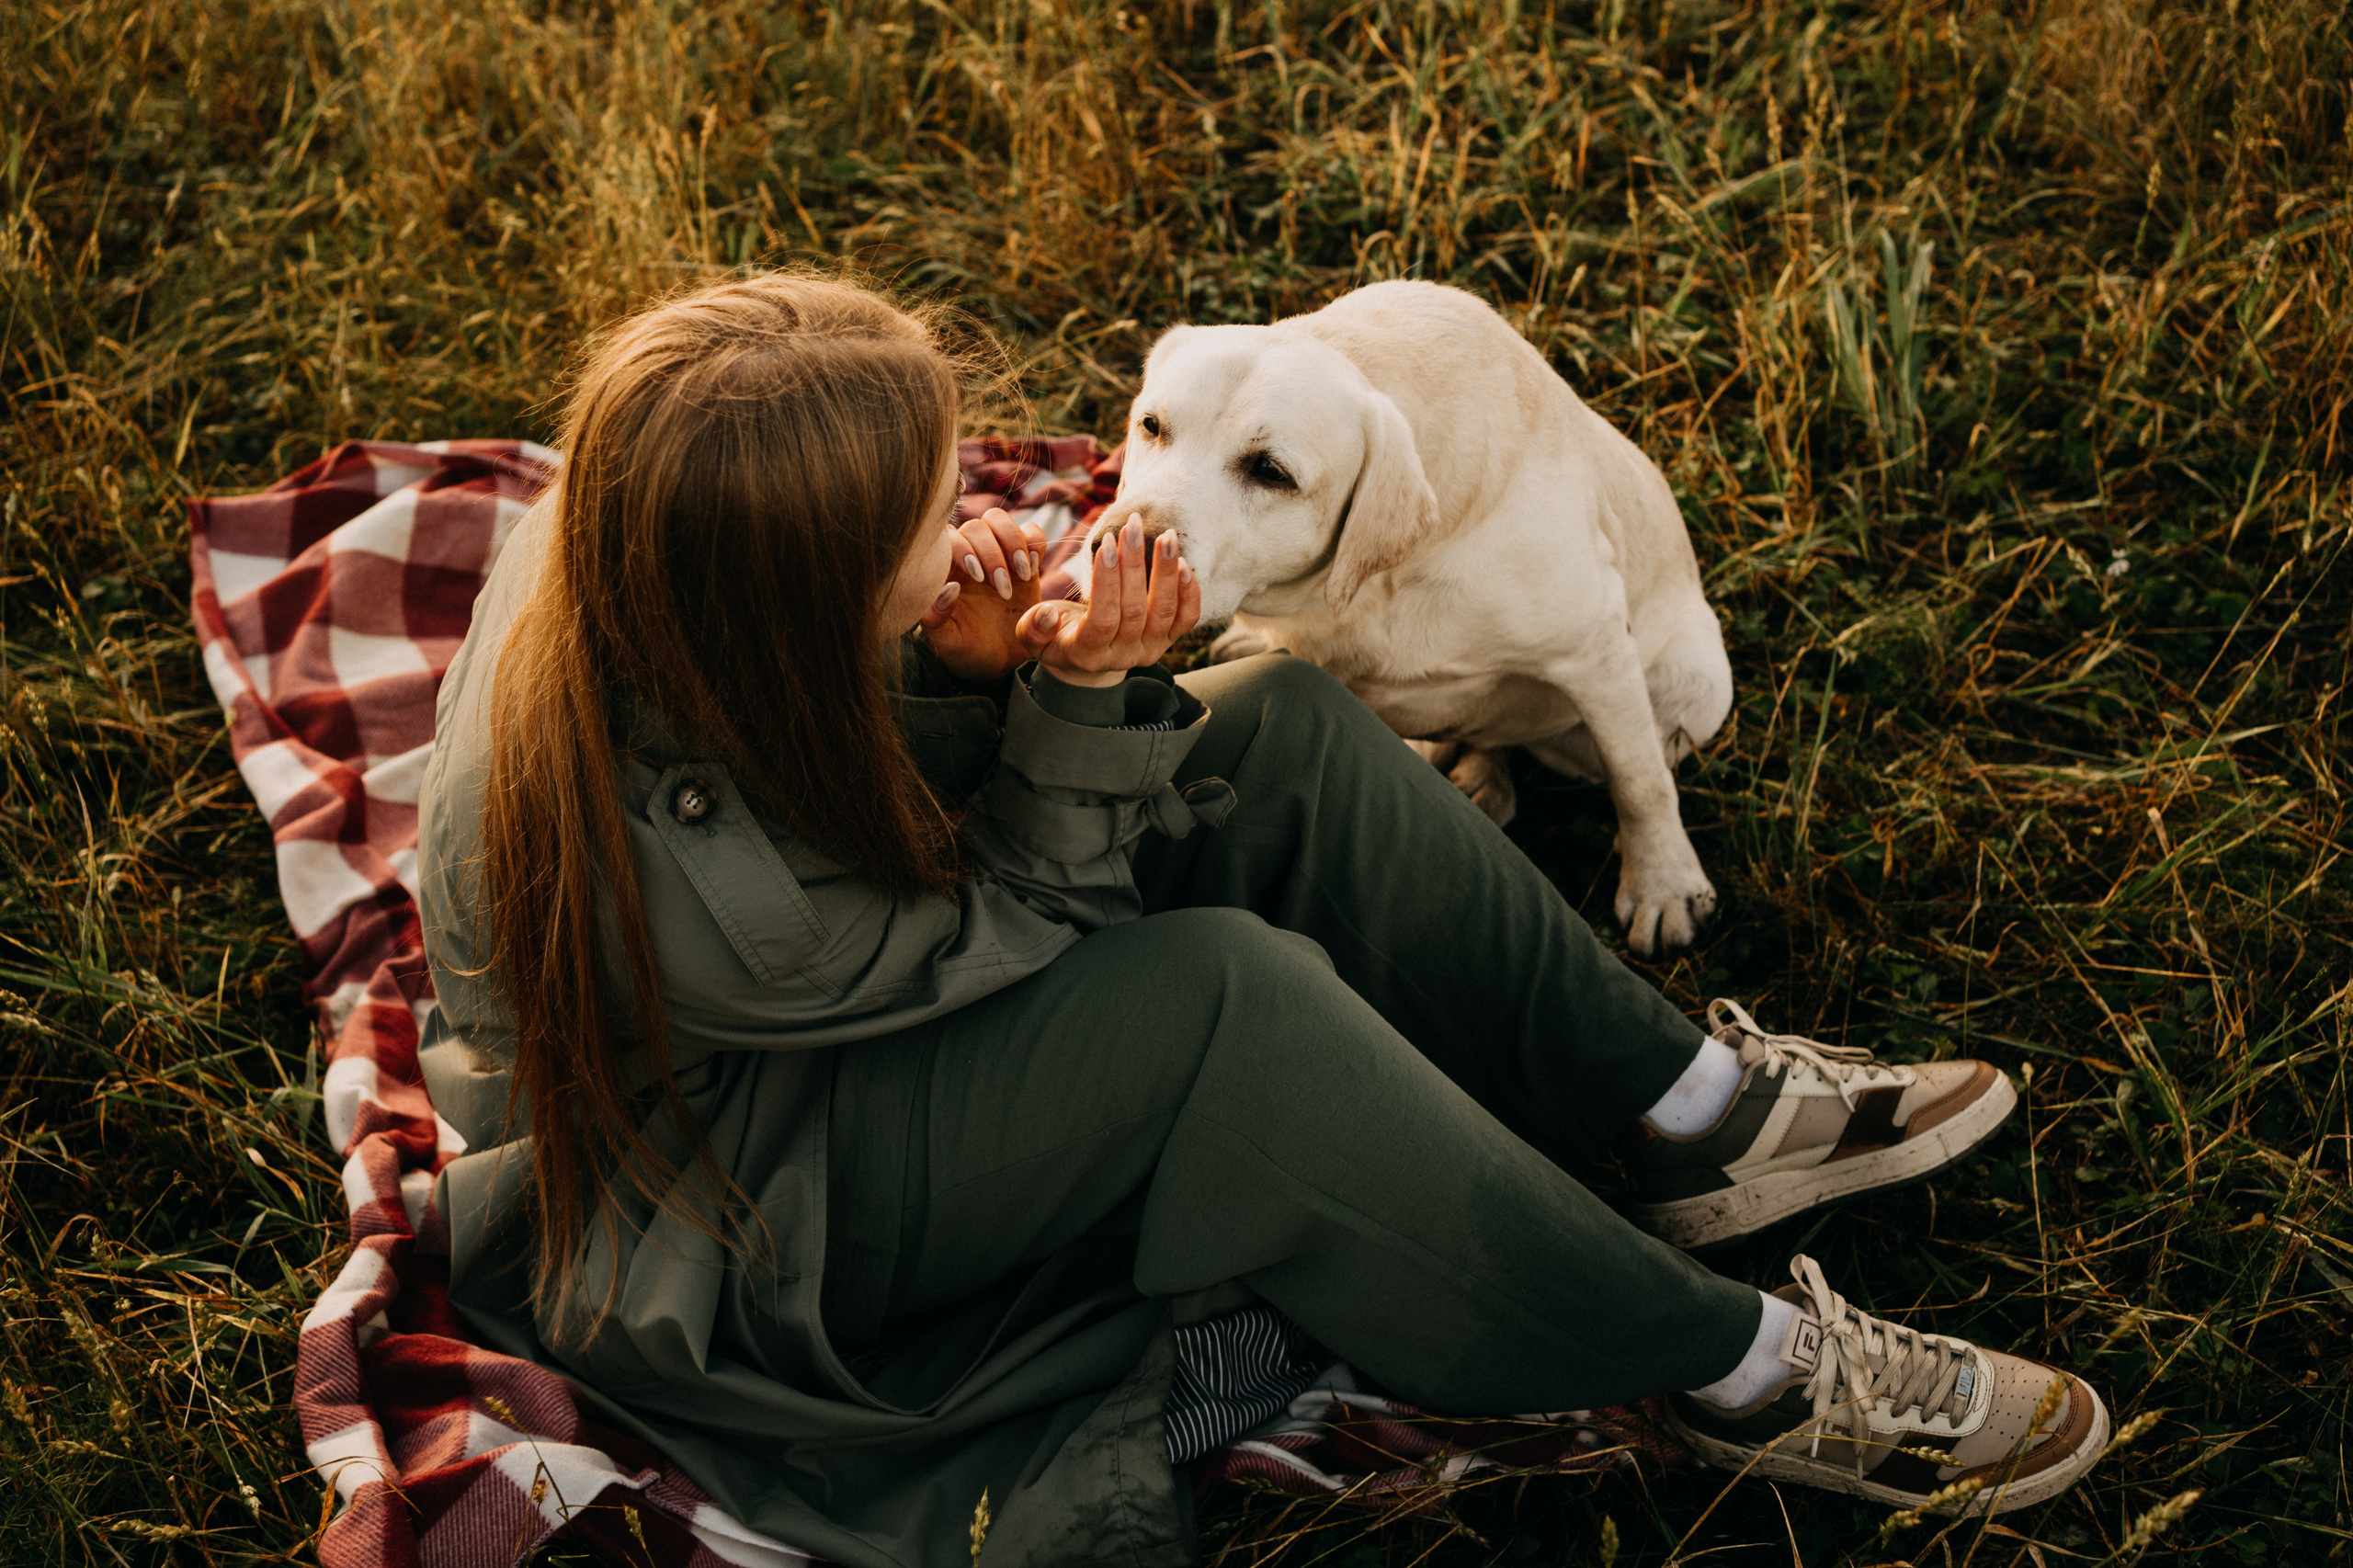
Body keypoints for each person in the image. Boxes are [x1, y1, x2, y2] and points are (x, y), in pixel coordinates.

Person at [416, 273, 2110, 1568]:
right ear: (798, 588)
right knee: (1214, 1003)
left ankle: (1688, 1114)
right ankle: (1734, 1373)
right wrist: (1069, 705)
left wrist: (949, 667)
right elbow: (993, 932)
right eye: (929, 531)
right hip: (737, 1191)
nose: (978, 531)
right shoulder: (673, 860)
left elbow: (840, 760)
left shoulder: (667, 536)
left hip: (828, 989)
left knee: (1286, 725)